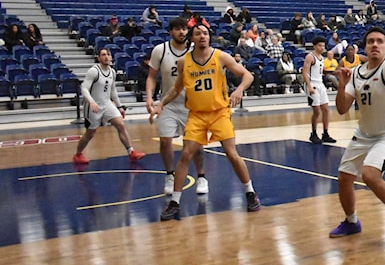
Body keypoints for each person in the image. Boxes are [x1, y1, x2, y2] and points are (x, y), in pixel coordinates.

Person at [151, 20, 260, 220]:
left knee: (231, 153)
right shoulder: (184, 61)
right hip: (197, 114)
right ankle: (174, 202)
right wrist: (161, 104)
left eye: (205, 33)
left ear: (209, 37)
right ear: (192, 38)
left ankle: (250, 192)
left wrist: (238, 90)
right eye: (198, 33)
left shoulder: (220, 56)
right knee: (185, 155)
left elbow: (248, 76)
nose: (202, 36)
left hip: (219, 113)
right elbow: (176, 89)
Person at [328, 0, 385, 240]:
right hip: (364, 134)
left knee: (369, 175)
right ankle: (351, 222)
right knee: (344, 178)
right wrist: (342, 85)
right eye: (370, 42)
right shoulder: (355, 73)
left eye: (380, 42)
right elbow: (342, 109)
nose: (375, 45)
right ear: (364, 48)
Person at [145, 17, 207, 197]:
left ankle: (201, 176)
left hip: (192, 104)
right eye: (178, 29)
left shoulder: (195, 50)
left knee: (194, 144)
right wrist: (149, 98)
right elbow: (151, 77)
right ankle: (170, 175)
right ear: (171, 31)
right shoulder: (160, 50)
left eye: (184, 29)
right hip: (168, 103)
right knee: (165, 140)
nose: (182, 32)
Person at [73, 48, 147, 165]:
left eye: (108, 54)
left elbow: (113, 91)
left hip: (107, 103)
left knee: (120, 125)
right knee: (90, 133)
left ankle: (131, 152)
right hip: (93, 106)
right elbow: (84, 88)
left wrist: (119, 106)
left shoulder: (112, 72)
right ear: (99, 58)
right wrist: (91, 102)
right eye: (103, 55)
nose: (106, 57)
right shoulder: (94, 71)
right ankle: (78, 154)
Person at [301, 36, 337, 144]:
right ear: (315, 46)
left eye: (323, 46)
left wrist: (334, 72)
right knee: (317, 111)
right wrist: (309, 87)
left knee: (326, 109)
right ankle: (313, 133)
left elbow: (321, 71)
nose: (322, 48)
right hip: (312, 84)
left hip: (320, 84)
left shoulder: (322, 58)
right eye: (320, 46)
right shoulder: (310, 57)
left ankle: (325, 133)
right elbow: (305, 72)